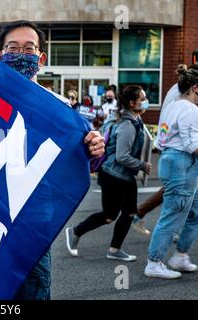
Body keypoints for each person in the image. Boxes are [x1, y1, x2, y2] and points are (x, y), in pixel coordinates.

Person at [0, 20, 105, 300]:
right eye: (13, 48)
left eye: (29, 48)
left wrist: (94, 149)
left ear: (41, 58)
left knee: (31, 291)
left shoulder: (60, 108)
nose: (21, 54)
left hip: (32, 225)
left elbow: (82, 160)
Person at [66, 85, 151, 262]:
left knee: (128, 213)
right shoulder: (127, 125)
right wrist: (143, 165)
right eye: (142, 99)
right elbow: (121, 156)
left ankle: (114, 250)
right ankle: (75, 232)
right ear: (131, 102)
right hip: (114, 175)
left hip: (124, 176)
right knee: (109, 215)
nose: (145, 102)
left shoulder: (134, 119)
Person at [144, 67, 198, 279]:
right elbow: (193, 145)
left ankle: (180, 256)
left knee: (192, 212)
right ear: (195, 88)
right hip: (181, 163)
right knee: (173, 215)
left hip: (174, 160)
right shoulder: (191, 110)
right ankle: (154, 262)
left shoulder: (173, 106)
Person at [131, 64, 198, 236]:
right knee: (178, 188)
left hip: (171, 144)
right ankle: (171, 226)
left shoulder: (177, 90)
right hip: (179, 146)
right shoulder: (182, 94)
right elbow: (185, 122)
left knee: (178, 188)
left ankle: (167, 222)